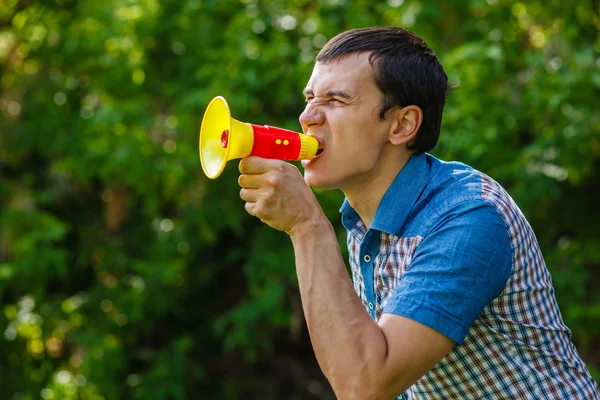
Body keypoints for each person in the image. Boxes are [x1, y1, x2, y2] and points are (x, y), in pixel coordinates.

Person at [237, 26, 599, 399]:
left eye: (336, 101)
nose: (307, 116)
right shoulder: (362, 219)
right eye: (310, 97)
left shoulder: (468, 219)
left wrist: (307, 226)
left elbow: (366, 384)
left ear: (402, 124)